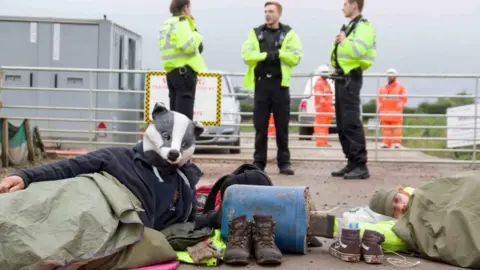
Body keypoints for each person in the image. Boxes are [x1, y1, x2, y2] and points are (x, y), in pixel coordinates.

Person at [241, 1, 303, 175]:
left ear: (279, 14)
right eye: (265, 11)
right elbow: (247, 56)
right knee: (260, 126)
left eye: (271, 11)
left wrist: (279, 54)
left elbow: (295, 57)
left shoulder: (289, 34)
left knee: (282, 126)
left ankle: (284, 162)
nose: (267, 14)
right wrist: (268, 55)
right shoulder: (255, 33)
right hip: (261, 85)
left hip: (280, 85)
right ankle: (259, 162)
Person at [330, 0, 376, 180]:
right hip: (342, 77)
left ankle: (360, 164)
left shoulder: (363, 27)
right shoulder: (350, 26)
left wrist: (344, 41)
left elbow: (359, 51)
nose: (343, 7)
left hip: (351, 77)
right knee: (342, 122)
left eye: (345, 4)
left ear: (354, 5)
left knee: (351, 121)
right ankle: (351, 162)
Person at [159, 0, 207, 120]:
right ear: (186, 8)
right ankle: (184, 139)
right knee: (184, 120)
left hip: (172, 74)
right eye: (190, 7)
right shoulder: (182, 23)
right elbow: (189, 47)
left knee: (175, 118)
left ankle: (176, 139)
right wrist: (195, 33)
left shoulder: (167, 24)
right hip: (184, 75)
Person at [377, 68, 408, 149]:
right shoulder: (382, 87)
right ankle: (386, 143)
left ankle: (396, 143)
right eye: (389, 75)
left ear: (395, 76)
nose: (390, 77)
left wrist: (399, 105)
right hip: (385, 112)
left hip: (395, 112)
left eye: (392, 75)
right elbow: (379, 99)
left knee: (397, 128)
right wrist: (379, 108)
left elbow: (403, 98)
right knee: (386, 129)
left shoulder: (400, 87)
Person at [313, 65, 334, 147]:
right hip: (322, 109)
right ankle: (320, 142)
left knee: (325, 127)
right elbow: (319, 97)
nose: (328, 75)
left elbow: (328, 95)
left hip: (327, 109)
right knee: (321, 126)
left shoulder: (325, 83)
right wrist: (325, 106)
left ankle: (324, 142)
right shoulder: (319, 83)